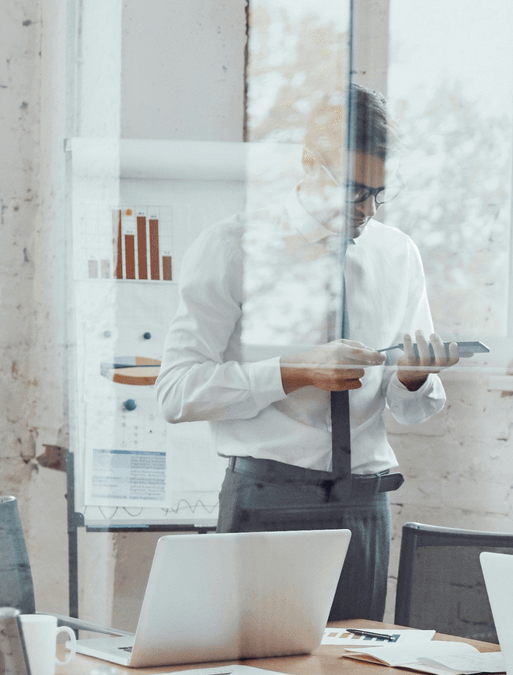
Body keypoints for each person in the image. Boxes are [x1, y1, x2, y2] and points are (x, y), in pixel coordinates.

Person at [155, 84, 459, 622]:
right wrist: (297, 371)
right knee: (255, 670)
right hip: (269, 499)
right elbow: (177, 392)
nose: (368, 209)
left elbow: (410, 409)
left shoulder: (397, 254)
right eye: (354, 190)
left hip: (365, 504)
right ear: (308, 164)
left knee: (356, 667)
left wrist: (412, 379)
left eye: (380, 192)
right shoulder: (233, 247)